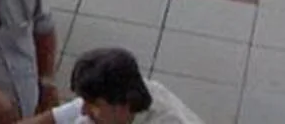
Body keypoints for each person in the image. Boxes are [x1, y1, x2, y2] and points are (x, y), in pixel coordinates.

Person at [23, 48, 203, 124]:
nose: (84, 111)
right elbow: (52, 118)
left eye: (93, 105)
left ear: (124, 105)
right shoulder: (115, 92)